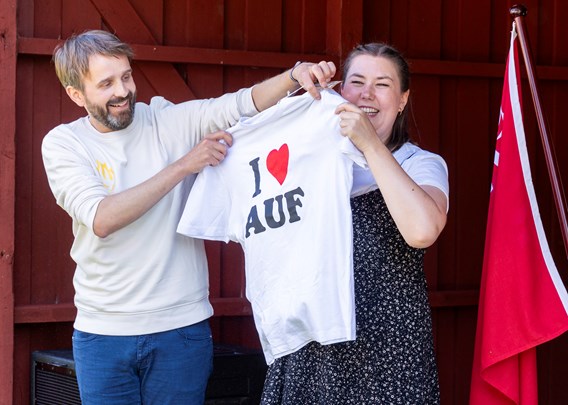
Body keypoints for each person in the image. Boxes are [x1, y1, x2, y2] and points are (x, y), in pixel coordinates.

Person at [41, 29, 335, 405]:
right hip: (102, 333)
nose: (122, 90)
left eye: (126, 76)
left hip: (180, 329)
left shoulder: (165, 120)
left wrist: (293, 77)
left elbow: (238, 105)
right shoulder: (64, 143)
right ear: (76, 94)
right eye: (106, 83)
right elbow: (102, 218)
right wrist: (184, 165)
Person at [259, 43, 448, 404]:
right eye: (357, 81)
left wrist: (369, 144)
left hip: (388, 353)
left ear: (403, 99)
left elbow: (422, 231)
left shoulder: (420, 164)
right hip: (311, 349)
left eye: (383, 84)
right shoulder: (304, 163)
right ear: (340, 91)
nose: (367, 94)